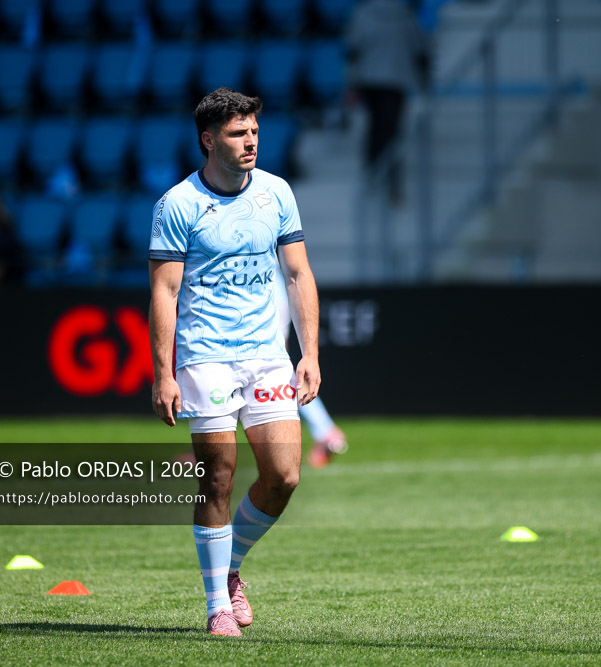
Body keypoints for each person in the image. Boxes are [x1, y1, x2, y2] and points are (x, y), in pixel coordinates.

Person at [148, 88, 322, 637]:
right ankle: (216, 608)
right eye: (236, 134)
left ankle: (231, 569)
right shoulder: (178, 205)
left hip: (267, 356)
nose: (249, 142)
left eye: (253, 132)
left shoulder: (276, 193)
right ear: (208, 140)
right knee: (217, 479)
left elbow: (297, 275)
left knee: (285, 476)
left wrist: (310, 353)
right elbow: (164, 292)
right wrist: (163, 372)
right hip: (205, 359)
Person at [345, 0, 430, 203]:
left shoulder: (362, 13)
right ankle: (393, 185)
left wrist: (351, 83)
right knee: (392, 132)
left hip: (369, 80)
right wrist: (424, 84)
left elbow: (353, 51)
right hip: (397, 81)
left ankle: (372, 178)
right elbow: (419, 51)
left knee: (375, 129)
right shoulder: (406, 15)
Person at [273, 275, 348, 468]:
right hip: (266, 292)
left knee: (278, 371)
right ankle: (326, 430)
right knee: (280, 371)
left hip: (261, 295)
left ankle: (326, 430)